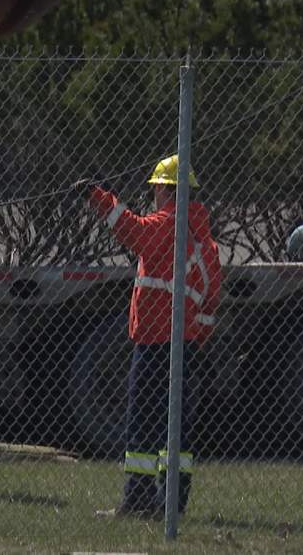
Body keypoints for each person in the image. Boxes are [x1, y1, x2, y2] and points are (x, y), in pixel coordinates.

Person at [73, 154, 222, 519]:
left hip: (156, 343)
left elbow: (132, 232)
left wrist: (99, 198)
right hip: (183, 345)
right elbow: (211, 294)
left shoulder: (170, 224)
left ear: (164, 190)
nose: (153, 196)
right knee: (177, 429)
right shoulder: (200, 235)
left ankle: (137, 501)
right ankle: (171, 503)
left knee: (142, 422)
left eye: (155, 190)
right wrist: (195, 336)